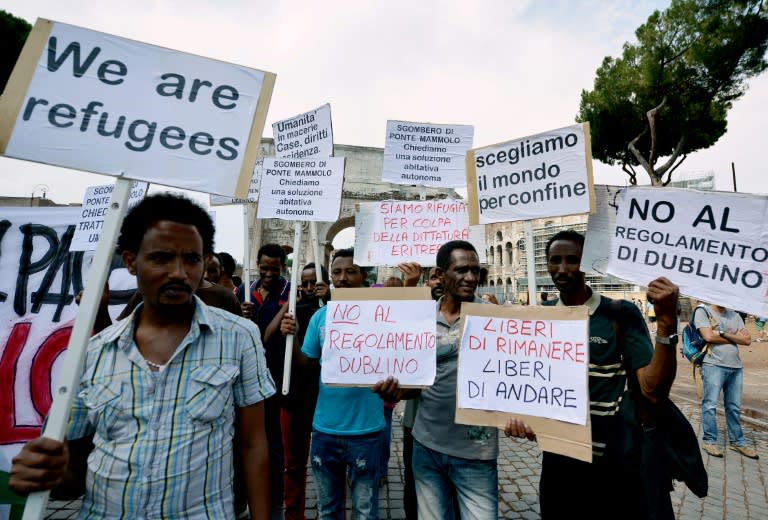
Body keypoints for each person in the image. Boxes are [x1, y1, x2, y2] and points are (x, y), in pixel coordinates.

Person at [8, 193, 275, 518]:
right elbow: (70, 473)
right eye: (161, 258)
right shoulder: (92, 353)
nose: (178, 272)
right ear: (132, 261)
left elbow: (253, 444)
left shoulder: (239, 337)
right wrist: (46, 471)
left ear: (205, 262)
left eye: (191, 259)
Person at [504, 229, 679, 519]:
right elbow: (528, 388)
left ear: (586, 263)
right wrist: (520, 419)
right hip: (560, 463)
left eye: (571, 260)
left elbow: (652, 391)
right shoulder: (539, 318)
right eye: (554, 260)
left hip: (614, 462)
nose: (562, 268)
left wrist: (666, 323)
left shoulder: (619, 313)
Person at [376, 241, 499, 520]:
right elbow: (413, 386)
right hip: (426, 447)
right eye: (462, 270)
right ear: (441, 274)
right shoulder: (419, 318)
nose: (471, 277)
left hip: (476, 452)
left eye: (475, 270)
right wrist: (394, 391)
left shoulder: (494, 319)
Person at [281, 248, 385, 519]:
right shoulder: (320, 317)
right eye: (337, 272)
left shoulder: (383, 314)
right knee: (328, 511)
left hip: (367, 429)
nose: (342, 278)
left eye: (350, 271)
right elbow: (306, 363)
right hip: (326, 428)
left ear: (363, 275)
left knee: (365, 510)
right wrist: (290, 339)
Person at [267, 262, 329, 520]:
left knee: (330, 465)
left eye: (314, 281)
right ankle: (294, 515)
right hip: (294, 397)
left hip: (326, 400)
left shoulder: (335, 311)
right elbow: (267, 338)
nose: (308, 287)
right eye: (303, 282)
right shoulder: (293, 311)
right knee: (293, 465)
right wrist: (286, 307)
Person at [238, 242, 291, 519]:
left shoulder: (289, 294)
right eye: (264, 267)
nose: (269, 272)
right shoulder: (242, 291)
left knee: (272, 442)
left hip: (275, 377)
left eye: (275, 267)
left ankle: (274, 503)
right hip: (244, 376)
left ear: (283, 266)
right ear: (257, 264)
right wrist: (239, 312)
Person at [695, 303, 758, 459]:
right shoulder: (703, 312)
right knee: (710, 405)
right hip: (713, 364)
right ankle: (709, 441)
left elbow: (747, 340)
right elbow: (708, 336)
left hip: (735, 366)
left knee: (734, 407)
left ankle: (738, 442)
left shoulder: (734, 315)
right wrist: (735, 337)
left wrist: (722, 333)